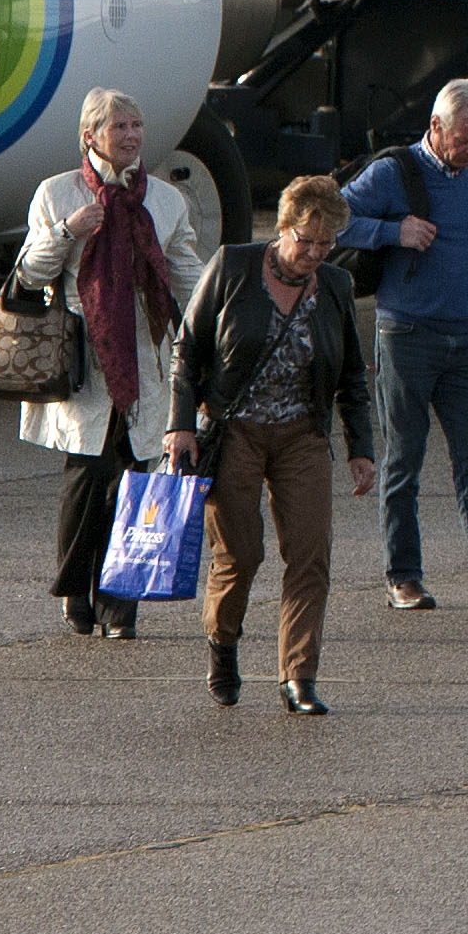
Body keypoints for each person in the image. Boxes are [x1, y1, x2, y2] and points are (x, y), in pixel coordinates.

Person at [167, 173, 379, 717]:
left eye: (326, 243)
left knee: (310, 556)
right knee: (240, 555)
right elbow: (187, 352)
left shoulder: (333, 285)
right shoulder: (234, 266)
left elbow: (353, 375)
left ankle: (299, 677)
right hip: (234, 432)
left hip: (302, 436)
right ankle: (223, 645)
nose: (314, 252)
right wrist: (180, 424)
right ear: (281, 228)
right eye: (305, 239)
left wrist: (361, 449)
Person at [7, 86, 212, 637]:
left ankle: (121, 605)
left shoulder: (165, 200)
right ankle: (76, 591)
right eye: (118, 127)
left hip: (145, 355)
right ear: (89, 136)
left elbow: (186, 272)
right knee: (88, 473)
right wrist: (69, 230)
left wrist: (212, 320)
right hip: (85, 354)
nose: (130, 136)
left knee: (136, 476)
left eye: (137, 126)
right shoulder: (57, 193)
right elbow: (29, 276)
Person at [341, 76, 468, 615]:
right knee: (405, 458)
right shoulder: (392, 172)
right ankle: (403, 576)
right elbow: (328, 220)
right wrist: (391, 232)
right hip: (406, 335)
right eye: (465, 139)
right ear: (436, 127)